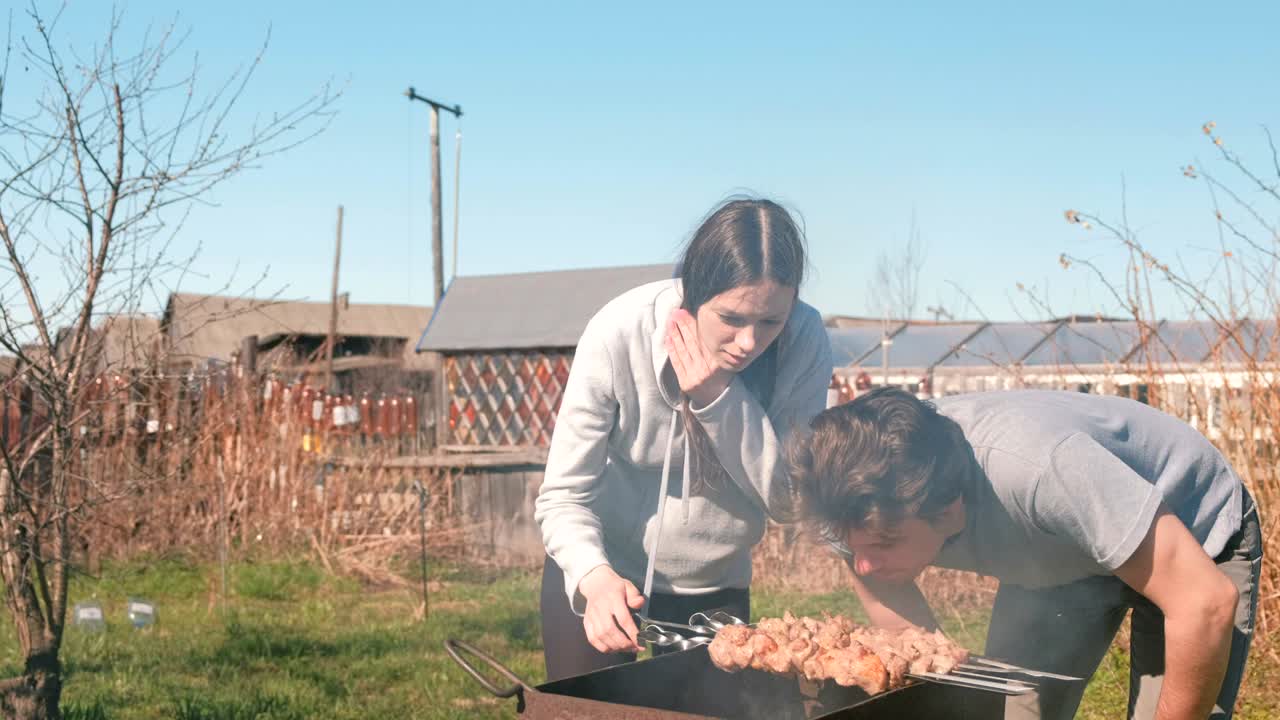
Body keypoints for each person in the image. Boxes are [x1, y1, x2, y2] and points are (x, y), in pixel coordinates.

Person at [788, 387, 1261, 720]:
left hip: (1190, 536)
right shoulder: (850, 491)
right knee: (1013, 713)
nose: (863, 564)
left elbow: (1204, 604)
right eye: (854, 548)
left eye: (883, 545)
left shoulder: (1044, 470)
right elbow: (916, 643)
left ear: (950, 511)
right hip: (1058, 549)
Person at [534, 197, 834, 682]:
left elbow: (789, 500)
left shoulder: (805, 340)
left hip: (715, 589)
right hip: (604, 574)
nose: (749, 344)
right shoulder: (619, 331)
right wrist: (594, 576)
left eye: (770, 322)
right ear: (692, 295)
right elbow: (562, 496)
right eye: (732, 318)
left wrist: (719, 397)